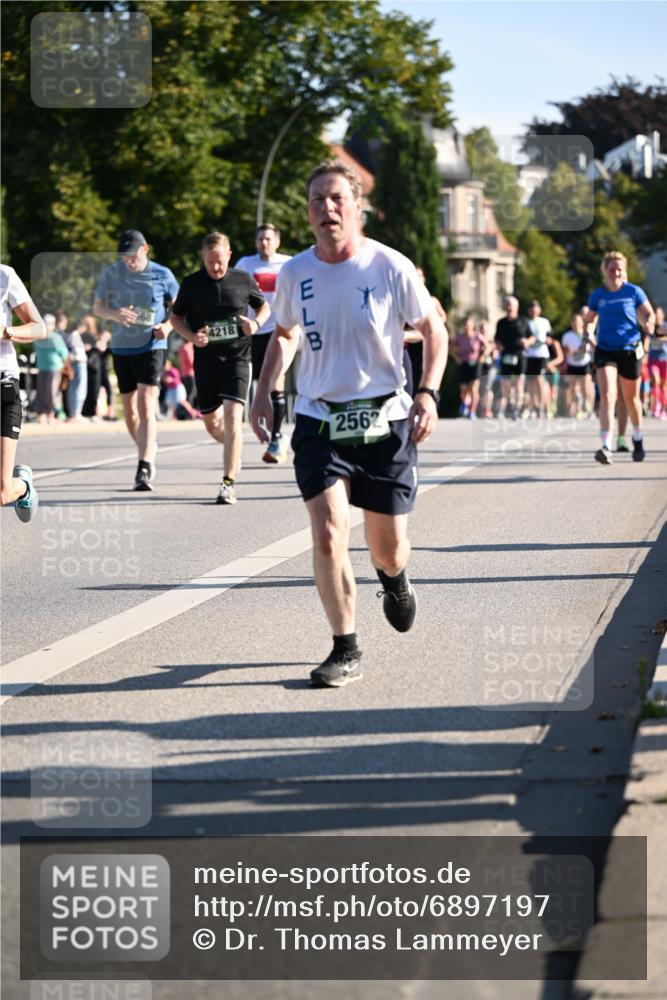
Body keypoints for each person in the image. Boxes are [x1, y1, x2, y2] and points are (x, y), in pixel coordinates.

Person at [249, 159, 447, 689]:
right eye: (317, 200)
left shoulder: (390, 266)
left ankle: (394, 578)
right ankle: (345, 645)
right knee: (330, 529)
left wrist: (426, 393)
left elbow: (433, 329)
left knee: (387, 546)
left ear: (358, 207)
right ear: (308, 212)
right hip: (319, 418)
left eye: (337, 199)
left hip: (385, 418)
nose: (327, 209)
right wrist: (265, 389)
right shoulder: (294, 273)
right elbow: (283, 333)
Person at [170, 232, 270, 504]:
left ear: (229, 254)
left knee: (232, 417)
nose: (215, 267)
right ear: (203, 258)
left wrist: (256, 324)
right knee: (213, 425)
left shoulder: (242, 280)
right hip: (206, 362)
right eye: (210, 261)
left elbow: (264, 307)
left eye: (220, 261)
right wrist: (192, 337)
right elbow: (176, 318)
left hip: (238, 358)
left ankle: (228, 483)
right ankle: (233, 451)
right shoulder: (192, 284)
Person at [93, 230, 179, 491]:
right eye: (124, 257)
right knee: (130, 412)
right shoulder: (112, 273)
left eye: (132, 256)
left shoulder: (163, 274)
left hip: (153, 344)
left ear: (145, 250)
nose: (128, 261)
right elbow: (97, 307)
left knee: (145, 403)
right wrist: (116, 314)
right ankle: (147, 446)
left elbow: (180, 308)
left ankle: (143, 465)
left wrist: (168, 326)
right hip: (122, 347)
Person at [584, 251, 655, 465]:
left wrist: (649, 323)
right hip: (605, 349)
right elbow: (590, 319)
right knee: (607, 396)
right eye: (612, 269)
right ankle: (605, 445)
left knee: (632, 399)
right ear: (605, 271)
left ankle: (638, 438)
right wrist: (588, 331)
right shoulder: (598, 295)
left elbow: (648, 314)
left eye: (619, 269)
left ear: (624, 272)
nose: (616, 273)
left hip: (630, 349)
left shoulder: (633, 292)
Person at [234, 224, 293, 463]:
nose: (264, 243)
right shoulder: (245, 265)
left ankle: (277, 437)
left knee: (275, 382)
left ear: (277, 242)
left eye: (268, 239)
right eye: (260, 239)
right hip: (251, 330)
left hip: (278, 330)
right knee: (255, 382)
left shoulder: (288, 264)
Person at [1, 264, 47, 522]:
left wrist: (7, 331)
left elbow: (39, 328)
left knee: (2, 493)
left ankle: (23, 485)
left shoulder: (4, 276)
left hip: (3, 384)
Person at [494, 295, 532, 419]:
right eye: (507, 305)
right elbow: (496, 339)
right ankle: (510, 403)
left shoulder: (523, 321)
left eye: (512, 305)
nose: (509, 307)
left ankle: (516, 408)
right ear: (505, 307)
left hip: (520, 356)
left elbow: (532, 337)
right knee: (506, 384)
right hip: (506, 356)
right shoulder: (501, 323)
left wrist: (527, 342)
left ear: (517, 307)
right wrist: (498, 345)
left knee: (519, 384)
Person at [33, 313, 69, 424]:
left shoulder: (43, 337)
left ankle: (50, 415)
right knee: (48, 392)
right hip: (47, 367)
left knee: (49, 392)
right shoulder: (52, 337)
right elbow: (64, 353)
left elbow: (64, 353)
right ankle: (45, 415)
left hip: (52, 368)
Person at [562, 312, 595, 418]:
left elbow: (593, 347)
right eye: (574, 321)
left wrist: (586, 347)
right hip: (572, 364)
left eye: (578, 321)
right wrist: (569, 351)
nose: (576, 324)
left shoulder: (587, 335)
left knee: (586, 387)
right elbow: (564, 351)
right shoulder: (567, 336)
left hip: (584, 363)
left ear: (582, 323)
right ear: (571, 323)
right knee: (573, 388)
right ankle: (576, 408)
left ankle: (589, 408)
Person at [452, 315, 486, 419]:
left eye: (468, 324)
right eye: (465, 324)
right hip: (464, 364)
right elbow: (450, 348)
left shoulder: (477, 336)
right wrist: (456, 357)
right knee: (464, 389)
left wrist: (482, 356)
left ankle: (472, 411)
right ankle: (465, 403)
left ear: (472, 325)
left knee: (474, 388)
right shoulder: (460, 337)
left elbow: (488, 346)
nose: (466, 326)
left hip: (475, 364)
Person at [524, 300, 551, 418]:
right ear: (529, 310)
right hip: (530, 355)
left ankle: (541, 406)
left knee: (540, 380)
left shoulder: (544, 322)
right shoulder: (526, 322)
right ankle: (531, 406)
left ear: (539, 310)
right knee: (530, 382)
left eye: (536, 307)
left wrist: (549, 340)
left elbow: (550, 336)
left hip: (541, 354)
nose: (534, 310)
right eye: (531, 308)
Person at [647, 306, 666, 419]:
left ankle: (663, 409)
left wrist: (661, 339)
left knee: (664, 387)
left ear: (662, 316)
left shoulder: (665, 326)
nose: (657, 315)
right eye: (656, 313)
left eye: (659, 313)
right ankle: (656, 405)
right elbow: (647, 339)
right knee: (656, 381)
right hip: (653, 359)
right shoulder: (651, 327)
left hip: (665, 359)